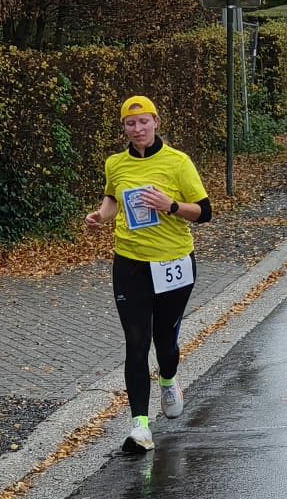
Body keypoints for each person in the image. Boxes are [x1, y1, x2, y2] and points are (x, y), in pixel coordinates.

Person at [83, 96, 213, 453]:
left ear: (156, 122)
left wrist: (169, 206)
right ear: (123, 127)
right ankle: (139, 426)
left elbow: (204, 212)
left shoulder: (178, 162)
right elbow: (112, 198)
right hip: (130, 262)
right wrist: (101, 217)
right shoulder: (116, 163)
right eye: (130, 123)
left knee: (165, 342)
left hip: (173, 262)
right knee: (136, 342)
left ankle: (169, 379)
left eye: (144, 122)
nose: (138, 129)